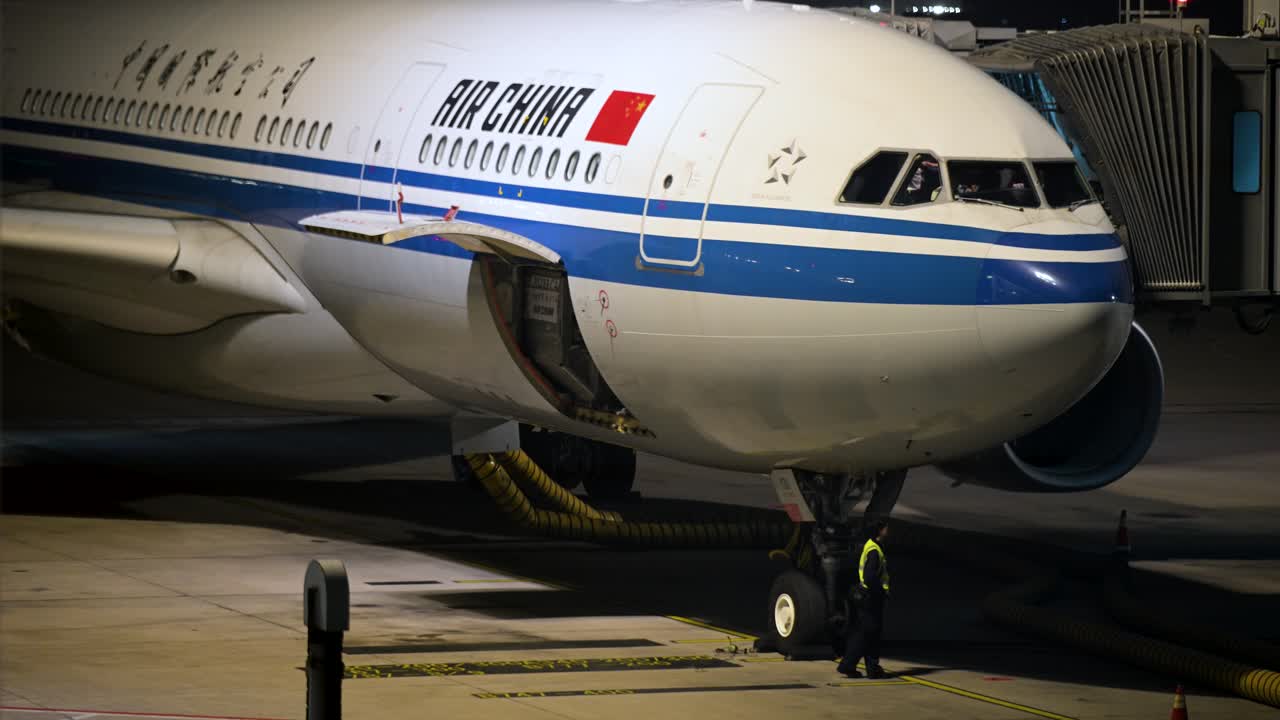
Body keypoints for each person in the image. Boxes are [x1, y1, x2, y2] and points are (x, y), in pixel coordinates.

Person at [837, 518, 891, 679]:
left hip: (868, 597)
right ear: (880, 530)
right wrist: (880, 592)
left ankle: (872, 668)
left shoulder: (871, 546)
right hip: (871, 597)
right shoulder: (874, 550)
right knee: (865, 634)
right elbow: (869, 577)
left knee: (871, 634)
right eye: (886, 528)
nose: (889, 531)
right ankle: (848, 665)